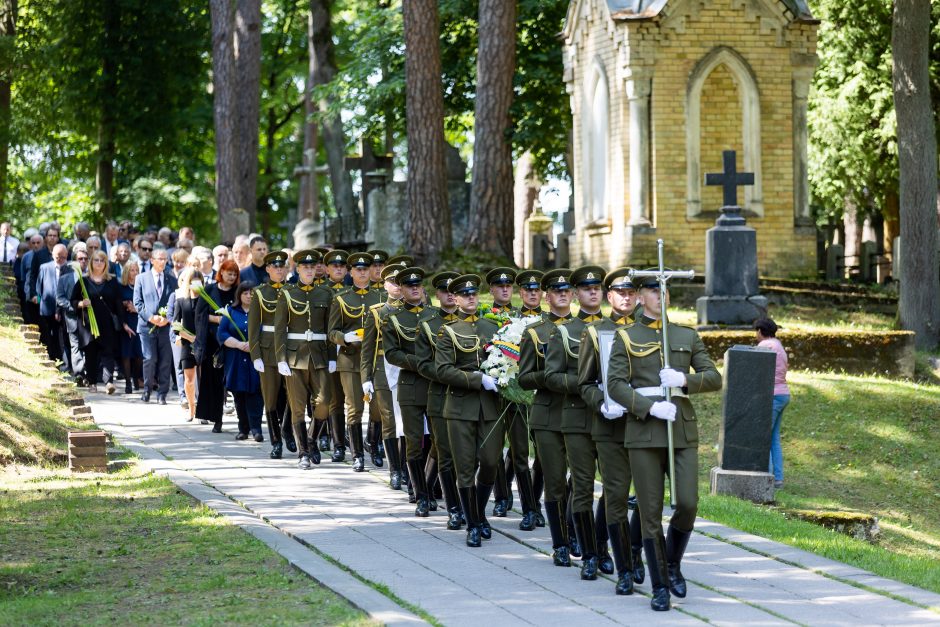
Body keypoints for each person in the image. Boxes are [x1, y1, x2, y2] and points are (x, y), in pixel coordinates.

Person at [607, 277, 721, 612]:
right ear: (641, 297)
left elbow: (714, 377)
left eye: (664, 291)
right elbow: (615, 384)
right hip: (644, 432)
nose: (660, 296)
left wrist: (685, 380)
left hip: (680, 430)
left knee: (687, 502)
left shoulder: (686, 335)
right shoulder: (626, 336)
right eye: (654, 291)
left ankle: (671, 563)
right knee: (650, 512)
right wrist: (648, 406)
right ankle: (660, 587)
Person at [577, 268, 645, 595]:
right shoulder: (595, 333)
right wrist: (600, 403)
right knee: (616, 494)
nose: (627, 297)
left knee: (645, 496)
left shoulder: (651, 332)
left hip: (646, 424)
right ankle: (622, 565)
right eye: (621, 292)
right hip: (610, 426)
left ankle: (634, 549)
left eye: (632, 292)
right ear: (610, 297)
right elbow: (585, 383)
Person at [545, 265, 612, 581]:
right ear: (576, 294)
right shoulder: (564, 331)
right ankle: (587, 553)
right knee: (583, 487)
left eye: (597, 287)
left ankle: (602, 545)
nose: (593, 292)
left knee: (613, 488)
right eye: (586, 288)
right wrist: (585, 384)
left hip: (612, 418)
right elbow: (552, 375)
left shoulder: (617, 329)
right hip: (577, 417)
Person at [434, 274, 502, 547]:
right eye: (465, 295)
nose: (471, 298)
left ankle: (479, 512)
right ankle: (473, 524)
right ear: (456, 299)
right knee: (464, 468)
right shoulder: (448, 330)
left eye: (474, 294)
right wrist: (477, 379)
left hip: (489, 407)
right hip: (460, 406)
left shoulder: (493, 328)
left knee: (490, 462)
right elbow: (442, 370)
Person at [519, 269, 576, 566]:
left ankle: (575, 527)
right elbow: (525, 378)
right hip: (549, 415)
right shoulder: (534, 332)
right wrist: (554, 377)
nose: (563, 294)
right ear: (547, 296)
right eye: (556, 290)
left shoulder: (585, 330)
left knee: (579, 481)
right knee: (554, 482)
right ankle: (561, 542)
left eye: (567, 290)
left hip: (580, 414)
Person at [383, 266, 436, 515]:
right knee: (414, 442)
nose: (415, 288)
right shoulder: (392, 319)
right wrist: (422, 364)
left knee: (438, 441)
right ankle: (420, 494)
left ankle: (430, 485)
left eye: (418, 284)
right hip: (411, 385)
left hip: (436, 385)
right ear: (401, 290)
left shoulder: (435, 316)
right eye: (409, 285)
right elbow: (392, 354)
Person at [274, 250, 333, 469]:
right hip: (294, 356)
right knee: (297, 406)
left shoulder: (325, 294)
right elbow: (280, 329)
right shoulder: (287, 294)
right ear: (297, 269)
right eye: (305, 267)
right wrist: (280, 358)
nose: (309, 270)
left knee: (324, 402)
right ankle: (303, 453)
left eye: (312, 267)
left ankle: (311, 439)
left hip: (319, 355)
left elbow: (329, 329)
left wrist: (333, 357)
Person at [416, 271, 461, 529]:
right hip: (440, 395)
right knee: (444, 452)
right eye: (445, 291)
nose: (451, 295)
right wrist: (451, 375)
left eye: (457, 292)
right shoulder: (428, 323)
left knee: (467, 455)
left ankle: (464, 502)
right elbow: (423, 363)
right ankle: (453, 508)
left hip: (468, 399)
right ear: (437, 295)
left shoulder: (477, 324)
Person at [328, 251, 380, 470]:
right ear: (351, 272)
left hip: (376, 361)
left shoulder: (380, 298)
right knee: (354, 408)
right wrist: (344, 338)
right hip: (350, 359)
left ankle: (374, 446)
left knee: (377, 409)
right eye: (358, 269)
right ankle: (357, 454)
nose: (362, 272)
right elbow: (331, 332)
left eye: (365, 269)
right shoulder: (341, 298)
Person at [360, 262, 407, 480]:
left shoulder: (414, 311)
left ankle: (407, 467)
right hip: (383, 370)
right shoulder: (377, 313)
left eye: (400, 282)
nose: (397, 286)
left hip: (407, 370)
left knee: (407, 420)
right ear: (385, 285)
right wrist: (365, 377)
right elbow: (367, 349)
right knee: (389, 419)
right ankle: (395, 469)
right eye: (392, 282)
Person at [248, 251, 296, 458]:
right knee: (270, 398)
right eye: (274, 266)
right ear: (267, 269)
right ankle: (276, 441)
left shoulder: (293, 290)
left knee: (295, 396)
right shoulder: (260, 293)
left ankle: (287, 429)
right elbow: (253, 327)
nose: (279, 270)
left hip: (291, 349)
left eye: (282, 266)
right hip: (268, 352)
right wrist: (255, 354)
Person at [194, 259, 239, 431]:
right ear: (222, 272)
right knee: (213, 380)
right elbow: (199, 314)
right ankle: (216, 418)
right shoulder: (210, 290)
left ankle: (243, 417)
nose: (232, 277)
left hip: (231, 342)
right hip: (212, 343)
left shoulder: (237, 292)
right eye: (229, 273)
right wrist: (218, 318)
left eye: (234, 274)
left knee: (230, 380)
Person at [71, 250, 123, 394]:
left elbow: (118, 303)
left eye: (102, 260)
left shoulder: (112, 281)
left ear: (106, 263)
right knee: (91, 354)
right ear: (91, 263)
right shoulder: (84, 280)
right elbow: (73, 300)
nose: (99, 263)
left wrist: (122, 321)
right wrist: (81, 303)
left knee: (108, 353)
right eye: (96, 260)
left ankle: (108, 382)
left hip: (107, 324)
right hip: (89, 324)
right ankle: (92, 382)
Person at [218, 282, 264, 441]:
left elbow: (267, 332)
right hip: (236, 360)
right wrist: (238, 344)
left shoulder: (261, 312)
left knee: (256, 394)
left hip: (255, 359)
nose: (249, 296)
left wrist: (254, 345)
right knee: (239, 396)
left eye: (252, 293)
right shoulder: (230, 311)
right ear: (239, 295)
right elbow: (221, 334)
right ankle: (243, 429)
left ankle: (256, 429)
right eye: (245, 293)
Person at [134, 247, 177, 404]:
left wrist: (168, 318)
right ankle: (147, 389)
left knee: (166, 360)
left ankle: (162, 394)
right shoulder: (141, 278)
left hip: (166, 327)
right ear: (152, 260)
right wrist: (151, 317)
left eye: (165, 259)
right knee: (149, 359)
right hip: (147, 326)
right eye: (160, 258)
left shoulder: (172, 280)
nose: (163, 261)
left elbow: (176, 302)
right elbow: (137, 303)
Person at [755, 317, 790, 489]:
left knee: (763, 436)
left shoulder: (765, 346)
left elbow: (753, 370)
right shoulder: (779, 345)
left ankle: (767, 478)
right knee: (774, 438)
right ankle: (778, 479)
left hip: (772, 395)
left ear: (760, 331)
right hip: (783, 394)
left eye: (756, 331)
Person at [171, 268, 201, 422]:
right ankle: (191, 408)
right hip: (187, 344)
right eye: (193, 281)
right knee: (189, 380)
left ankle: (203, 410)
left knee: (204, 379)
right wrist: (189, 337)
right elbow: (175, 325)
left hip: (203, 344)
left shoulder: (205, 301)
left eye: (199, 281)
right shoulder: (181, 302)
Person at [57, 244, 89, 383]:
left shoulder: (91, 277)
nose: (83, 261)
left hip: (88, 319)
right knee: (75, 345)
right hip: (72, 317)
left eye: (85, 259)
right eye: (80, 258)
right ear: (74, 261)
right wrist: (73, 306)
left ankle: (88, 373)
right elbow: (60, 298)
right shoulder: (65, 278)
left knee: (88, 345)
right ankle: (79, 373)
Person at [36, 243, 70, 363]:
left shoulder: (70, 268)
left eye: (63, 257)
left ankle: (64, 360)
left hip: (65, 308)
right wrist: (40, 303)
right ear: (52, 255)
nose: (60, 260)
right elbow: (39, 288)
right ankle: (52, 357)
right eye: (57, 257)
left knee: (64, 336)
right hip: (48, 307)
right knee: (49, 335)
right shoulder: (44, 267)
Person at [118, 260, 143, 394]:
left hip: (139, 322)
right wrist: (123, 304)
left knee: (139, 354)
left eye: (136, 270)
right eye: (132, 270)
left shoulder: (142, 286)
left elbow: (146, 306)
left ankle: (135, 376)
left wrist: (136, 309)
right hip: (126, 322)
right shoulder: (121, 288)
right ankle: (128, 383)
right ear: (127, 272)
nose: (134, 273)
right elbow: (117, 306)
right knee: (126, 354)